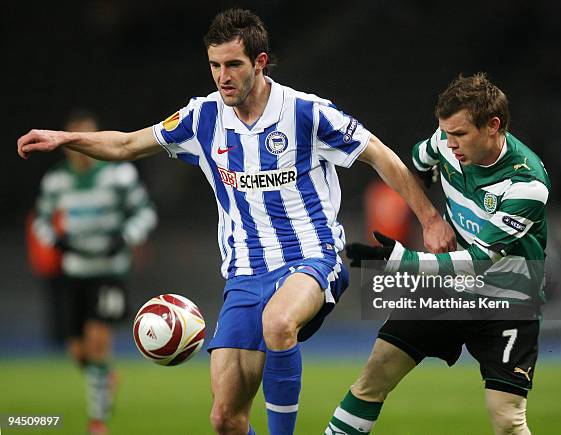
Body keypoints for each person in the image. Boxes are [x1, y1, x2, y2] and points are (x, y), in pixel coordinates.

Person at [18, 9, 455, 435]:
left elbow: (378, 153)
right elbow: (129, 144)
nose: (222, 76)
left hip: (313, 257)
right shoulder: (201, 117)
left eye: (233, 65)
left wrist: (430, 218)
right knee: (225, 420)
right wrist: (67, 139)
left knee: (278, 322)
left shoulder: (306, 112)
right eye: (214, 65)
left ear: (259, 63)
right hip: (245, 274)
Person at [325, 73, 550, 435]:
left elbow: (481, 262)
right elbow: (415, 168)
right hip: (448, 291)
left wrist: (401, 261)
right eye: (445, 132)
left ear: (493, 126)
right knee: (375, 373)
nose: (450, 143)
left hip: (509, 299)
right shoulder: (442, 145)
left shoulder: (527, 184)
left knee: (508, 420)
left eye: (459, 134)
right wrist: (430, 219)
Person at [30, 110, 158, 435]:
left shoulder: (119, 175)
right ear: (66, 145)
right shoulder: (56, 180)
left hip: (108, 273)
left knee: (98, 342)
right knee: (78, 351)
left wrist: (125, 238)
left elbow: (145, 213)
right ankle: (104, 376)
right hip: (74, 272)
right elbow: (41, 220)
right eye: (76, 141)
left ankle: (97, 422)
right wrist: (56, 241)